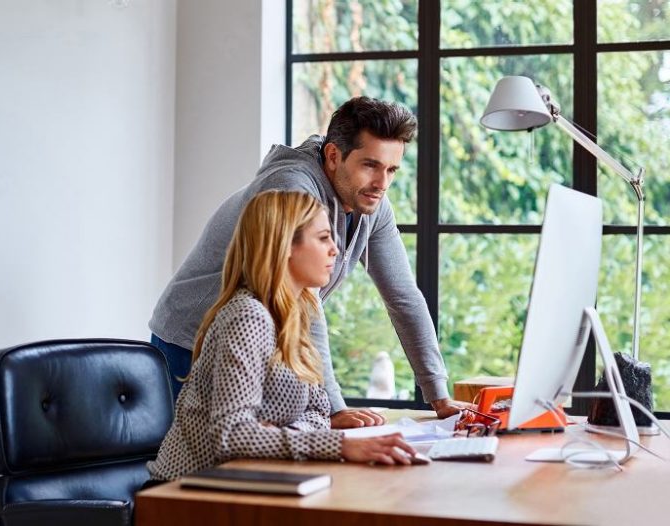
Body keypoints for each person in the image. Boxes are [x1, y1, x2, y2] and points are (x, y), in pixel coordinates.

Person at [150, 96, 475, 424]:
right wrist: (335, 408)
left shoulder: (370, 203)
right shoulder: (292, 189)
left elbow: (403, 296)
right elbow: (306, 301)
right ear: (333, 156)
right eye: (370, 166)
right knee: (206, 464)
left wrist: (439, 397)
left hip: (261, 346)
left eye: (391, 170)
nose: (382, 183)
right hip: (192, 342)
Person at [147, 191, 419, 482]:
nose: (336, 250)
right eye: (324, 237)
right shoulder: (247, 317)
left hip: (252, 483)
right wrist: (339, 444)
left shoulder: (296, 313)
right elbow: (232, 435)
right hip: (183, 495)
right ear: (286, 245)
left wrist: (279, 433)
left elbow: (318, 411)